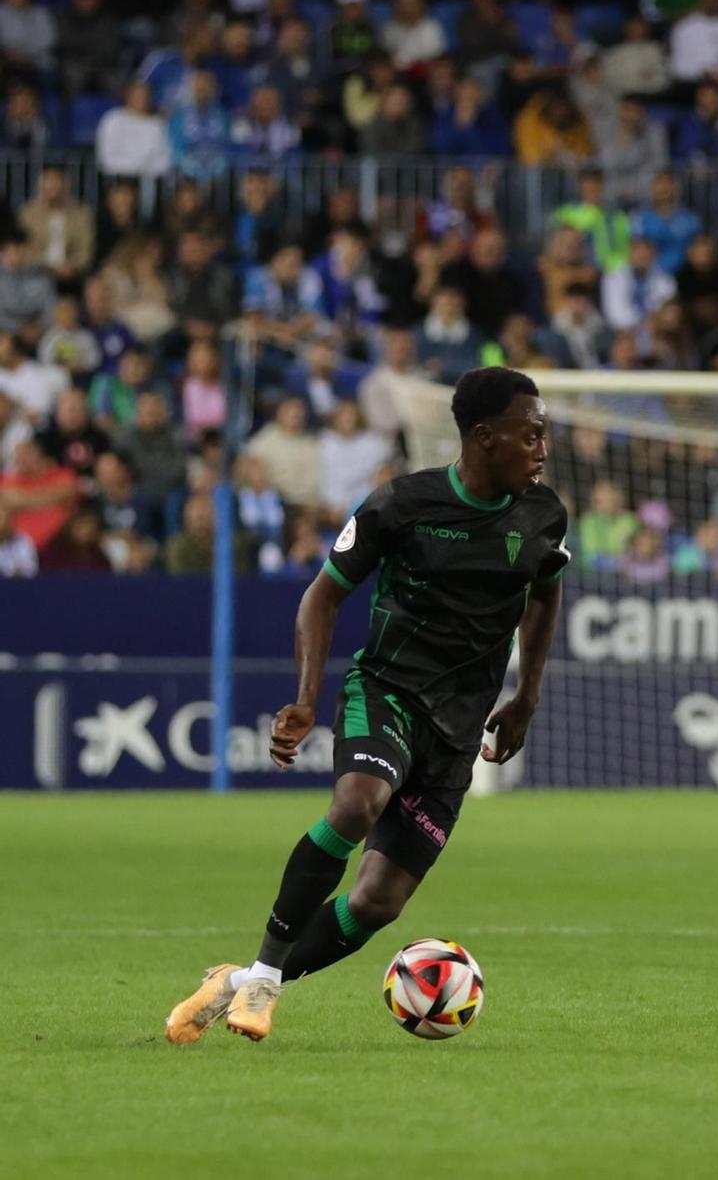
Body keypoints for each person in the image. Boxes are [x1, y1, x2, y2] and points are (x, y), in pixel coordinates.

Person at [163, 369, 570, 1044]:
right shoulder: (401, 505)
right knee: (357, 802)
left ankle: (241, 981)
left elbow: (547, 592)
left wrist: (526, 695)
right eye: (531, 435)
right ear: (483, 437)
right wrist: (305, 698)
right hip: (388, 692)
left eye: (544, 435)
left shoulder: (542, 516)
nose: (542, 448)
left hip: (460, 725)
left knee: (380, 900)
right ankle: (263, 978)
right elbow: (322, 595)